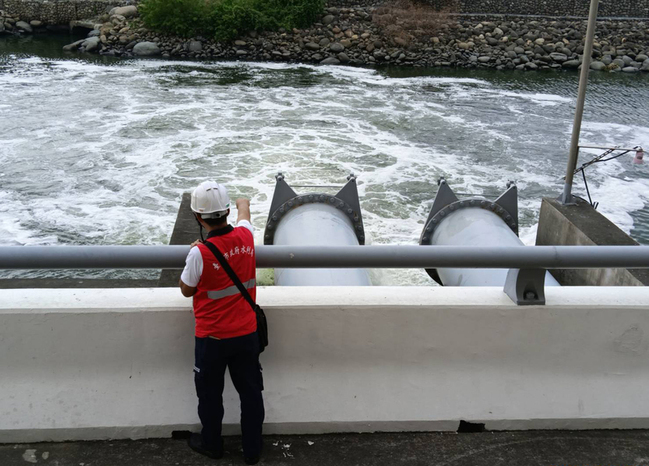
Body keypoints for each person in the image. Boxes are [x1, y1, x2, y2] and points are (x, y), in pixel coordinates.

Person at [179, 181, 264, 465]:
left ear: (198, 217)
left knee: (210, 395)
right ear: (226, 211)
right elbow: (245, 217)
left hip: (212, 339)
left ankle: (212, 444)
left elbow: (186, 289)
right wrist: (243, 203)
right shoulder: (246, 237)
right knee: (251, 393)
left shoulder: (199, 253)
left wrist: (197, 252)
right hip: (246, 333)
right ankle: (252, 449)